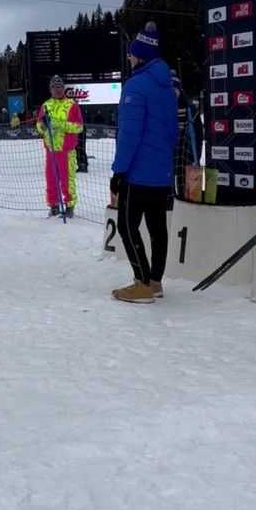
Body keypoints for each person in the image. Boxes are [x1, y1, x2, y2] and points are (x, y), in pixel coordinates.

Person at [110, 22, 180, 303]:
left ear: (140, 57)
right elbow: (173, 133)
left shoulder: (135, 86)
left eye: (131, 55)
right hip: (161, 173)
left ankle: (141, 283)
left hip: (137, 173)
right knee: (157, 228)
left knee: (127, 226)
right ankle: (155, 282)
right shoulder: (168, 88)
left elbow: (129, 134)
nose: (129, 59)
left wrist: (119, 171)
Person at [36, 75, 85, 217]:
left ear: (63, 88)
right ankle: (54, 206)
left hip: (66, 151)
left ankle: (69, 206)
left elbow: (79, 127)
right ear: (50, 89)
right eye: (54, 87)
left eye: (59, 87)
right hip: (51, 151)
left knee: (67, 180)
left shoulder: (72, 105)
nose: (57, 89)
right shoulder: (45, 105)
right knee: (51, 180)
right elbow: (39, 124)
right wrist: (42, 127)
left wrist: (59, 124)